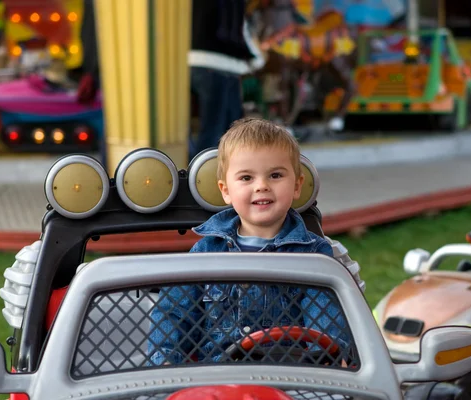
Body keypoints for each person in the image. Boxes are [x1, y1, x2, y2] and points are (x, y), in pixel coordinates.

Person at [148, 118, 349, 365]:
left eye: (275, 175)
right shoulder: (206, 252)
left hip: (292, 378)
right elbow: (174, 315)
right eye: (246, 178)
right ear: (225, 190)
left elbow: (325, 319)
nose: (262, 186)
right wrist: (166, 360)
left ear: (297, 186)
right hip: (220, 380)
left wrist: (332, 356)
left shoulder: (313, 255)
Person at [189, 0, 264, 159]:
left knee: (206, 129)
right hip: (222, 65)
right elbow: (242, 31)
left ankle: (197, 174)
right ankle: (202, 177)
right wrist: (258, 59)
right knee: (226, 131)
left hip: (192, 62)